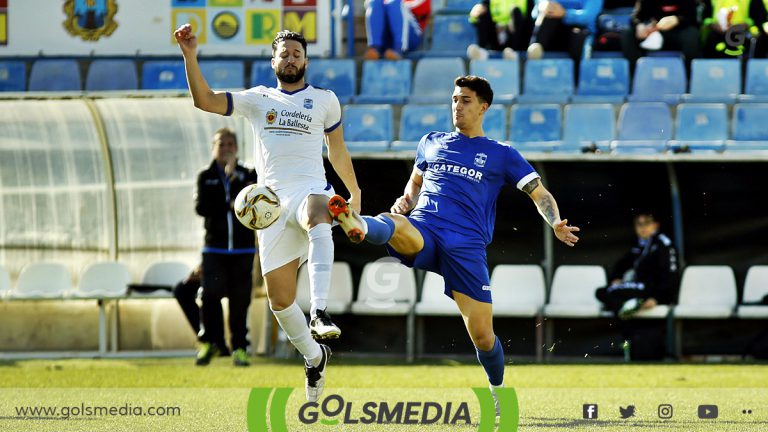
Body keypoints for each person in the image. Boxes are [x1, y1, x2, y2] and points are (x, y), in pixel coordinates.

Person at [327, 75, 580, 415]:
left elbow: (539, 192)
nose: (457, 106)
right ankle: (357, 223)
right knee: (394, 221)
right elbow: (413, 186)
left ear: (483, 107)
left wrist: (554, 221)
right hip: (426, 229)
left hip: (466, 247)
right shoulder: (431, 142)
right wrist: (406, 200)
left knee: (483, 336)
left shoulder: (501, 154)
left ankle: (498, 392)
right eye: (455, 99)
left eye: (465, 100)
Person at [175, 26, 362, 401]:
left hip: (311, 190)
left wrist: (354, 191)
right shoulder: (257, 99)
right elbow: (205, 100)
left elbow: (336, 151)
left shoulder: (325, 99)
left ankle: (320, 313)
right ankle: (314, 356)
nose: (291, 58)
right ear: (273, 61)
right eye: (284, 53)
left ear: (306, 60)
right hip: (271, 207)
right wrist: (189, 55)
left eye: (297, 53)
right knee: (279, 300)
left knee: (317, 212)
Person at [194, 128, 259, 367]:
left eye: (231, 144)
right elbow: (202, 208)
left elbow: (253, 206)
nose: (227, 148)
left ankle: (240, 348)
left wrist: (233, 181)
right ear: (214, 148)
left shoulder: (247, 175)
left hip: (243, 250)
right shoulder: (206, 176)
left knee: (240, 301)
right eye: (222, 144)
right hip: (215, 250)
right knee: (210, 295)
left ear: (237, 148)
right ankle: (209, 342)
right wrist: (229, 202)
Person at [595, 212, 679, 319]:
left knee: (608, 293)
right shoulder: (640, 244)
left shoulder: (663, 244)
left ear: (655, 225)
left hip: (652, 290)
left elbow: (671, 274)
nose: (643, 227)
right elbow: (622, 264)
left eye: (647, 223)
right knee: (602, 292)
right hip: (639, 286)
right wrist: (616, 277)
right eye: (639, 224)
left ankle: (624, 309)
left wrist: (656, 298)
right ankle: (627, 307)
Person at [621, 0, 700, 70]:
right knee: (627, 33)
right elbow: (635, 17)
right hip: (654, 33)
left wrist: (678, 19)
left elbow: (694, 18)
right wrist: (639, 25)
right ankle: (634, 74)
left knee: (692, 34)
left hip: (680, 32)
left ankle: (690, 76)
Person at [526, 0, 603, 61]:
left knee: (580, 35)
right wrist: (543, 6)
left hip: (579, 32)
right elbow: (534, 14)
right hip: (553, 33)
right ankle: (535, 50)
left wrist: (564, 13)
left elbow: (588, 17)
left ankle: (578, 76)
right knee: (549, 16)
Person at [467, 0, 534, 60]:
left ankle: (513, 54)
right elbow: (476, 19)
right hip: (495, 38)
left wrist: (507, 26)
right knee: (483, 11)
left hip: (516, 39)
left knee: (516, 11)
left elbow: (530, 20)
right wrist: (474, 15)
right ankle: (481, 51)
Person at [364, 0, 431, 60]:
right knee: (375, 2)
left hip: (411, 35)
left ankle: (399, 50)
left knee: (395, 3)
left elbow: (421, 6)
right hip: (387, 36)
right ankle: (375, 49)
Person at [700, 0, 768, 58]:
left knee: (755, 42)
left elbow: (758, 17)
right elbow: (705, 18)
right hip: (717, 32)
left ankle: (744, 68)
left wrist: (746, 24)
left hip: (743, 32)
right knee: (712, 42)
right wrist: (713, 25)